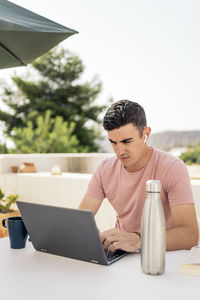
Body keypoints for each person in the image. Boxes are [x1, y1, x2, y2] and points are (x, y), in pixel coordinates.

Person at [79, 100, 199, 253]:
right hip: (121, 254)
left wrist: (138, 240)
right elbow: (81, 218)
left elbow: (189, 236)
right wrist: (88, 234)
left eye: (126, 141)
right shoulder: (104, 169)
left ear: (146, 134)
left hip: (163, 255)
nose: (119, 151)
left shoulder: (172, 167)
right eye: (113, 142)